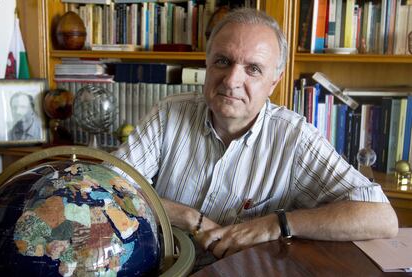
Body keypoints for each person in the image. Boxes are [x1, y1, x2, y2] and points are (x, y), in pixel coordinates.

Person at [112, 8, 398, 262]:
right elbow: (104, 186)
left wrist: (276, 224)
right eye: (223, 61)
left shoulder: (294, 138)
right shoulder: (168, 115)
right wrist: (188, 218)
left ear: (274, 81)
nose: (232, 80)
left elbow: (380, 217)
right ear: (207, 64)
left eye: (253, 69)